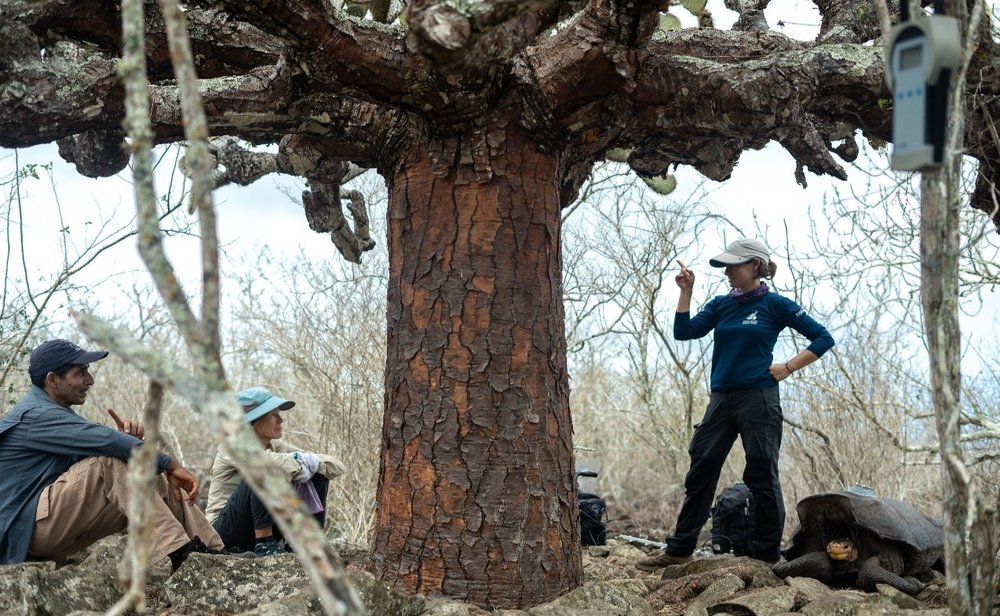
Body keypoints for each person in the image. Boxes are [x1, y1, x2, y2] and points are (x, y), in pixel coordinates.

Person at [636, 238, 835, 570]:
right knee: (701, 470)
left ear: (754, 265)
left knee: (760, 474)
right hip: (721, 400)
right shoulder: (721, 305)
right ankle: (679, 549)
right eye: (726, 266)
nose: (727, 272)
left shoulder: (776, 305)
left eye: (733, 266)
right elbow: (684, 332)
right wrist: (686, 292)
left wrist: (788, 367)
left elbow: (823, 337)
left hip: (758, 398)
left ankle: (766, 556)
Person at [0, 339, 225, 570]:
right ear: (52, 380)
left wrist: (133, 444)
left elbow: (91, 459)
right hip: (26, 533)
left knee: (145, 467)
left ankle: (216, 554)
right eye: (80, 373)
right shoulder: (35, 415)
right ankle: (182, 555)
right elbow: (106, 444)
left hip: (46, 525)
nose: (90, 380)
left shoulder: (52, 415)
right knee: (115, 460)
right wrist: (169, 463)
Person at [206, 387, 344, 557]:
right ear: (253, 423)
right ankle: (265, 545)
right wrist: (301, 462)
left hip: (256, 526)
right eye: (273, 415)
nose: (281, 420)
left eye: (279, 414)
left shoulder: (276, 446)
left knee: (317, 475)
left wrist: (310, 463)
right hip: (225, 533)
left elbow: (335, 466)